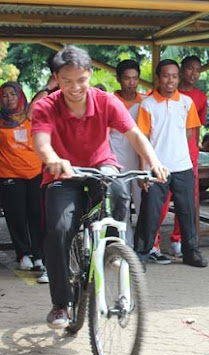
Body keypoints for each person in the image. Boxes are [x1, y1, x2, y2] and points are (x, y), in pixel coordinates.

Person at [31, 45, 169, 329]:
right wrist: (54, 159)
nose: (75, 88)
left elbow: (134, 133)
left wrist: (154, 162)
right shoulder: (47, 105)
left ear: (90, 75)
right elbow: (42, 142)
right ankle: (60, 304)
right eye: (67, 81)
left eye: (81, 80)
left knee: (117, 188)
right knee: (58, 231)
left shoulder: (105, 101)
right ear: (57, 78)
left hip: (99, 165)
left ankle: (111, 248)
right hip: (63, 173)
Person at [134, 59, 207, 269]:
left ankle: (191, 252)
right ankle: (141, 253)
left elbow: (190, 131)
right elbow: (143, 139)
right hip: (157, 168)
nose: (170, 80)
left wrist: (178, 150)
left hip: (182, 166)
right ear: (158, 77)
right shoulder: (147, 104)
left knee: (187, 211)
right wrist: (143, 171)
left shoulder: (186, 102)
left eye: (174, 76)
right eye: (166, 75)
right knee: (151, 212)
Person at [0, 82, 44, 272]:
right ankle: (23, 254)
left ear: (21, 96)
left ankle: (39, 255)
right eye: (4, 95)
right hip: (9, 175)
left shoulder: (32, 116)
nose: (8, 98)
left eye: (12, 94)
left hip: (36, 173)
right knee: (16, 216)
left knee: (38, 215)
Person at [111, 59, 144, 247]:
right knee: (121, 208)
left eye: (135, 78)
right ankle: (126, 246)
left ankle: (144, 246)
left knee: (142, 207)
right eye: (127, 78)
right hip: (117, 164)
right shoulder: (110, 102)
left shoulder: (145, 103)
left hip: (139, 165)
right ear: (118, 79)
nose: (131, 83)